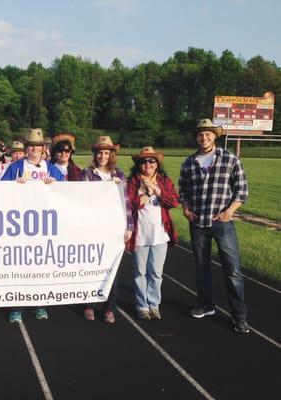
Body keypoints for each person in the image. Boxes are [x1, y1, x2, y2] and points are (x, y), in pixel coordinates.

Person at [178, 118, 250, 333]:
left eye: (208, 133)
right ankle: (206, 304)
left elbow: (242, 189)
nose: (204, 137)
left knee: (233, 270)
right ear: (197, 137)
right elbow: (183, 189)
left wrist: (229, 211)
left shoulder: (229, 159)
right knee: (202, 268)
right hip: (198, 222)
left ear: (215, 136)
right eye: (200, 134)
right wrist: (185, 209)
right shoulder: (189, 163)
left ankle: (239, 316)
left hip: (222, 223)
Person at [1, 128, 64, 323]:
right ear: (27, 148)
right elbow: (0, 190)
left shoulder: (51, 168)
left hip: (43, 225)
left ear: (43, 149)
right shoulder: (15, 167)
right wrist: (14, 185)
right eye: (31, 146)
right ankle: (16, 307)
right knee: (19, 267)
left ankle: (40, 304)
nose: (35, 150)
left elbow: (65, 191)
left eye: (38, 146)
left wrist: (56, 184)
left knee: (41, 267)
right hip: (19, 224)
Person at [81, 136, 133, 324]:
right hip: (94, 227)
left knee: (112, 268)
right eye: (100, 152)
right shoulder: (87, 173)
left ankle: (109, 307)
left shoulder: (118, 174)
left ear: (111, 154)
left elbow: (125, 201)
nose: (103, 156)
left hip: (113, 227)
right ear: (95, 154)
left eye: (106, 152)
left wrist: (129, 226)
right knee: (91, 266)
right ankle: (89, 304)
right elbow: (85, 198)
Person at [127, 147, 179, 320]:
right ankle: (142, 306)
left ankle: (154, 304)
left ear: (157, 164)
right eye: (144, 161)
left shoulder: (164, 181)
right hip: (140, 235)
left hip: (160, 235)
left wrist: (156, 190)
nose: (148, 164)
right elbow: (132, 205)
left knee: (156, 273)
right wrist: (145, 192)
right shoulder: (133, 182)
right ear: (139, 165)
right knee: (140, 273)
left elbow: (173, 202)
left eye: (151, 161)